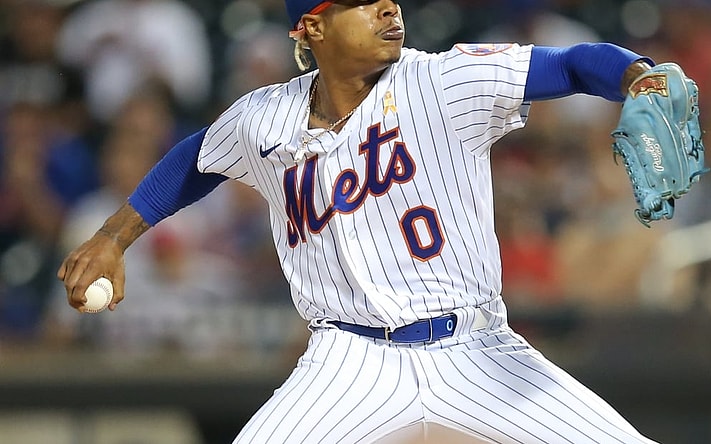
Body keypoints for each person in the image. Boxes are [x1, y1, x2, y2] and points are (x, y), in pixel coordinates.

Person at [58, 1, 675, 442]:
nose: (389, 10)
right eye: (363, 2)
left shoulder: (442, 79)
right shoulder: (263, 118)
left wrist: (636, 75)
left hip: (478, 349)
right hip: (348, 361)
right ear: (313, 27)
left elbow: (570, 64)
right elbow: (195, 158)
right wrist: (114, 236)